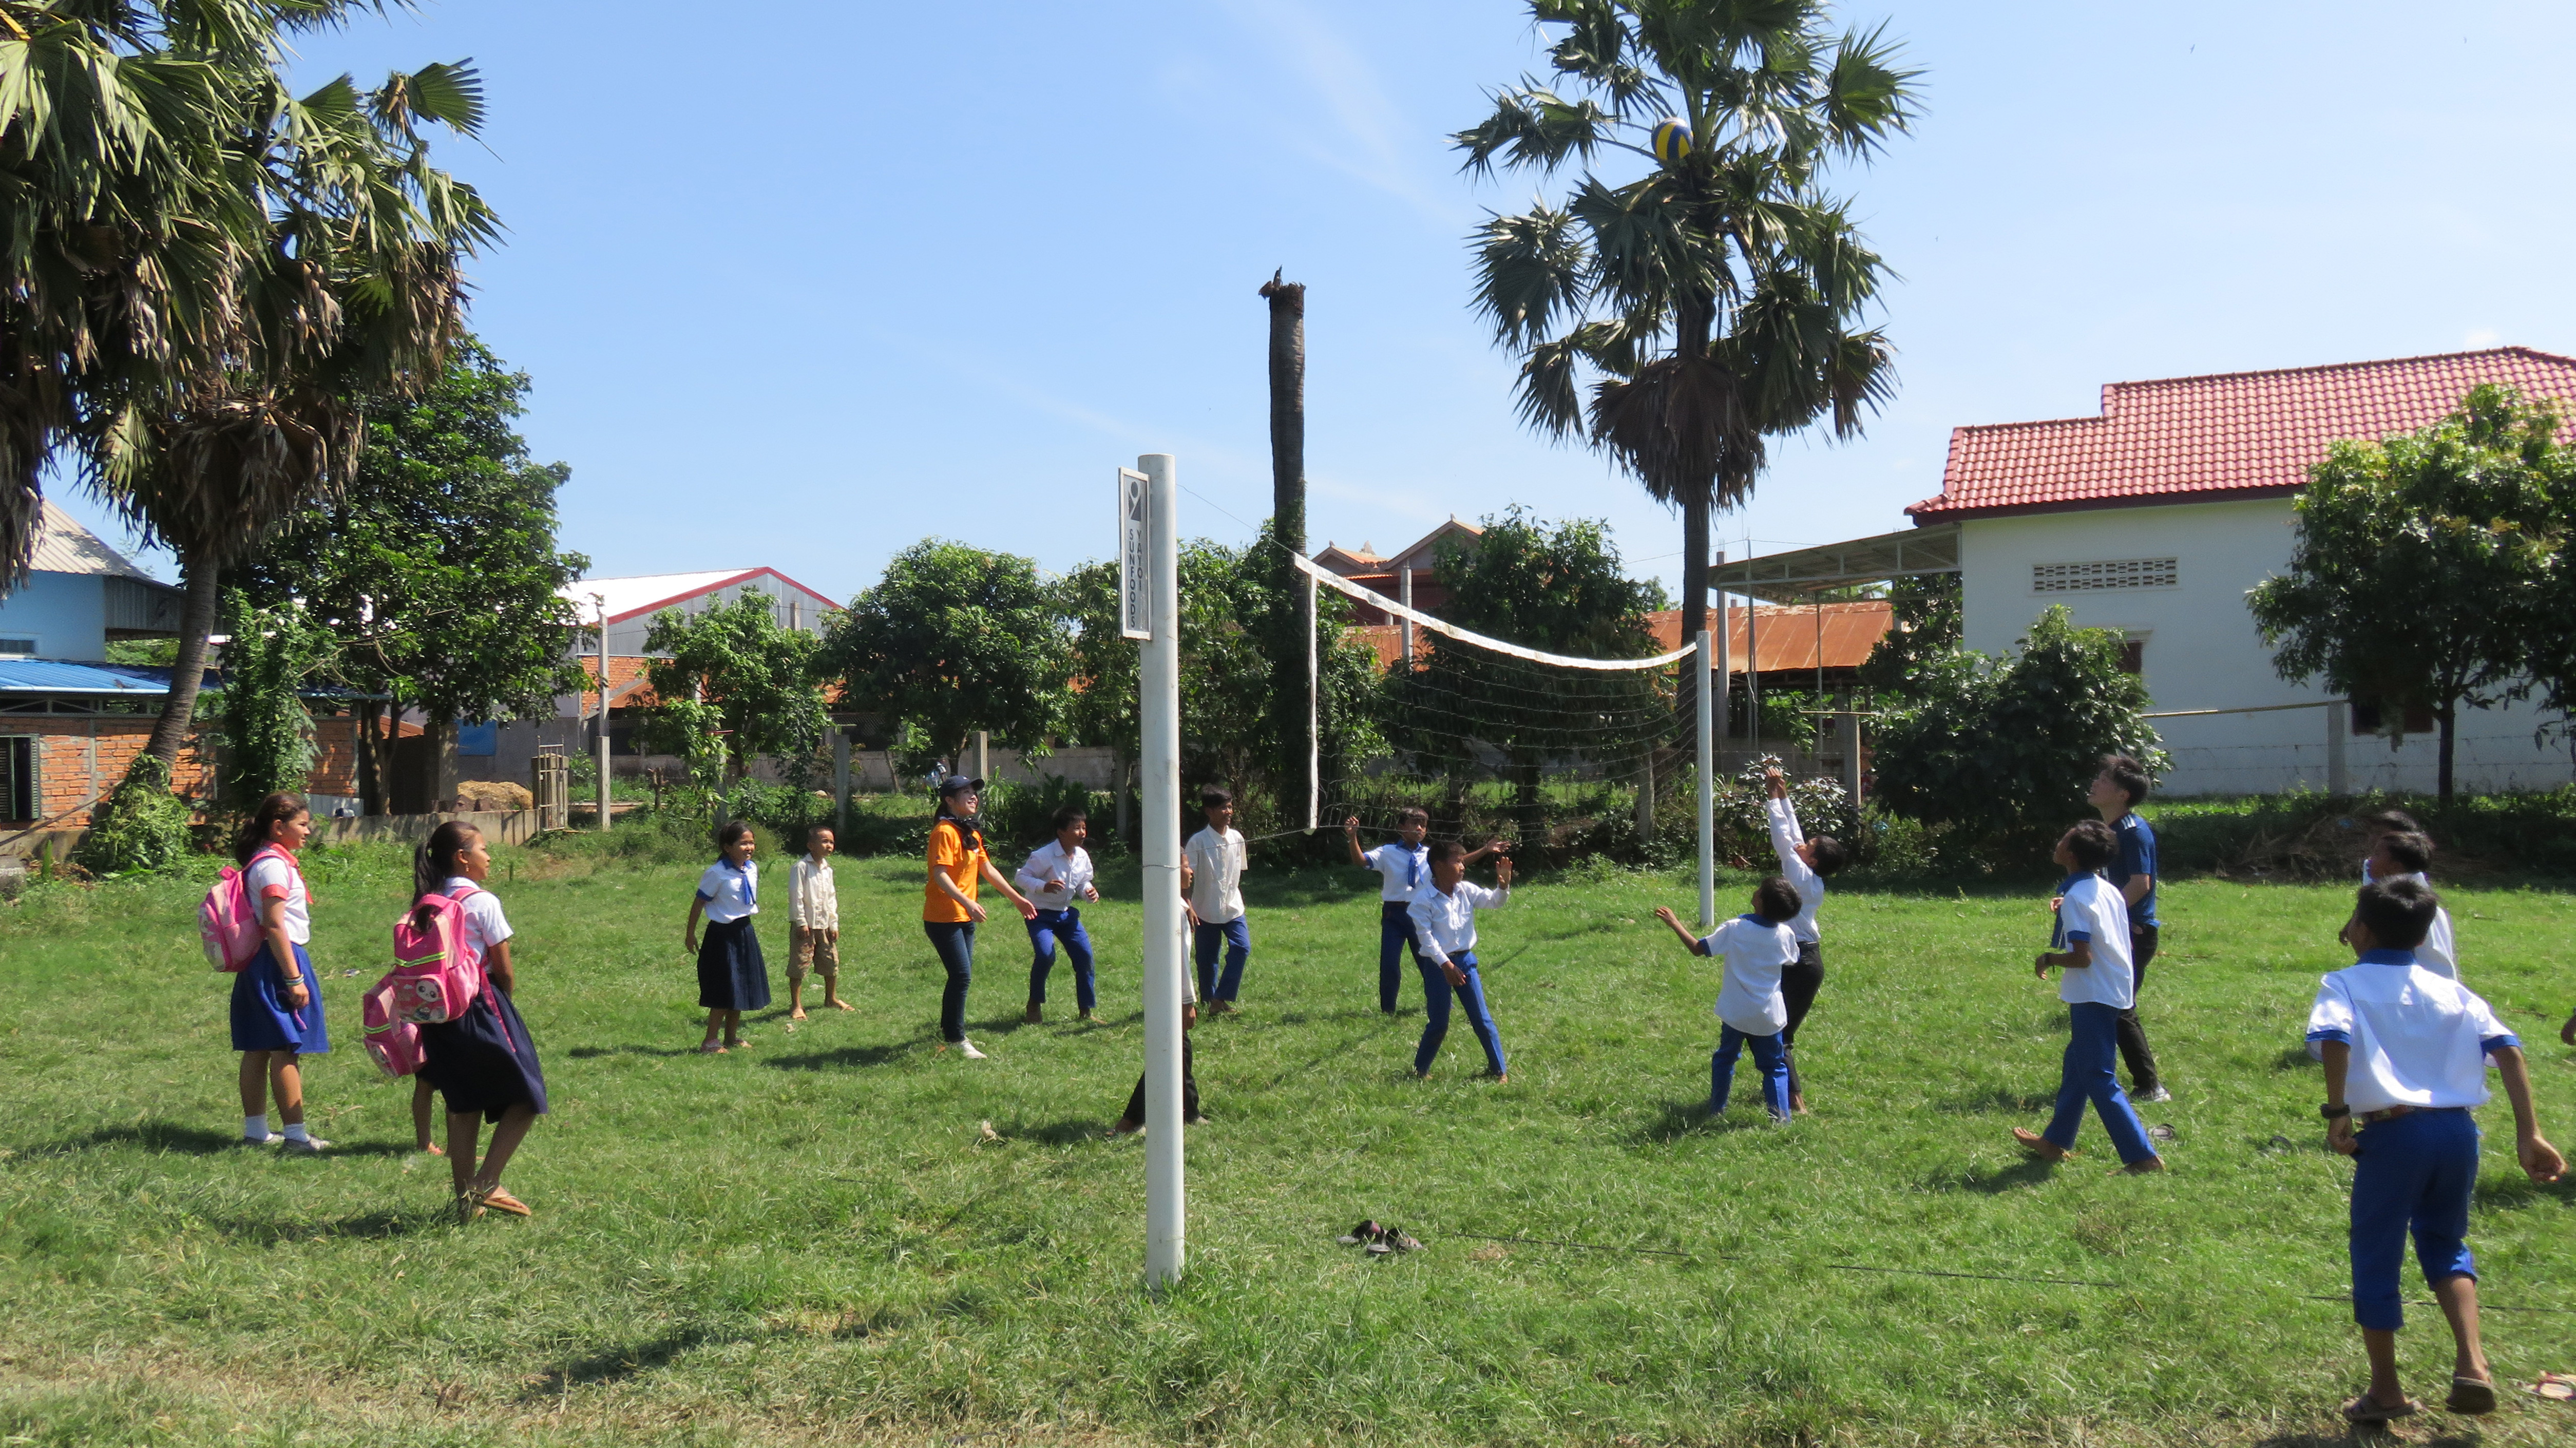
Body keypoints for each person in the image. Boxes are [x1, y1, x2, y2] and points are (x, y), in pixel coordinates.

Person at [2307, 877, 2564, 1423]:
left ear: (2361, 929)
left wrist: (2337, 1112)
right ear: (2423, 937)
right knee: (2446, 1243)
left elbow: (2333, 1038)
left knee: (2376, 1251)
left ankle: (2385, 1391)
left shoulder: (2343, 983)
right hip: (2456, 1133)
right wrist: (2529, 1133)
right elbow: (2509, 1049)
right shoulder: (2452, 991)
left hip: (2393, 1135)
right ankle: (2473, 1364)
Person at [412, 822, 547, 1224]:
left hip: (435, 1013)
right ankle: (486, 1182)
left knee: (464, 1104)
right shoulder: (482, 901)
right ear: (462, 857)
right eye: (483, 849)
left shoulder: (427, 900)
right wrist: (506, 1005)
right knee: (528, 1095)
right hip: (481, 1005)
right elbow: (502, 968)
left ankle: (465, 1205)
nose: (489, 857)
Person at [2015, 820, 2164, 1173]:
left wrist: (2049, 958)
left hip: (2093, 994)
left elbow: (2082, 958)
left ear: (2070, 854)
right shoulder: (2105, 889)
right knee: (2077, 1065)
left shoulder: (2077, 899)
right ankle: (2054, 1142)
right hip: (2114, 987)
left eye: (2064, 839)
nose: (2058, 842)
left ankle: (2142, 1157)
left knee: (2098, 1075)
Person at [228, 793, 331, 1153]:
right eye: (302, 824)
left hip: (261, 960)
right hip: (278, 960)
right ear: (278, 827)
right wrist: (294, 978)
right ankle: (296, 1136)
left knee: (258, 1047)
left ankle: (256, 1132)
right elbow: (275, 925)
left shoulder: (263, 861)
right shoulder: (273, 866)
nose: (308, 831)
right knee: (285, 1048)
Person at [1654, 877, 1802, 1122]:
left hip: (1736, 1012)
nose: (1755, 890)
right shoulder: (1786, 934)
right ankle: (1780, 1119)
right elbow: (1792, 960)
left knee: (1725, 1059)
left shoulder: (1735, 928)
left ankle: (1717, 1109)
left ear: (1761, 902)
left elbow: (1698, 949)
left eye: (1759, 890)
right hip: (1768, 1016)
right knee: (1775, 1067)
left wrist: (1674, 923)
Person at [1344, 808, 1502, 1015]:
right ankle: (1388, 1009)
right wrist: (1353, 837)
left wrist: (1485, 850)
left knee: (1431, 960)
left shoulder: (1430, 855)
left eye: (1423, 825)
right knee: (1390, 963)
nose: (1419, 829)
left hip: (1422, 912)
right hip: (1395, 914)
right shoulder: (1387, 852)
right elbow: (1361, 861)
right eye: (1413, 824)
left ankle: (1443, 1003)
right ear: (1401, 828)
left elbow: (1458, 863)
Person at [923, 776, 1038, 1058]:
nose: (973, 797)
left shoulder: (969, 831)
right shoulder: (944, 832)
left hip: (965, 916)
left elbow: (988, 869)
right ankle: (956, 1038)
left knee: (961, 976)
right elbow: (940, 875)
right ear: (950, 800)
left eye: (974, 792)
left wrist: (1018, 899)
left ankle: (951, 1032)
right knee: (961, 976)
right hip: (944, 917)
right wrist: (967, 902)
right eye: (966, 793)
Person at [1760, 768, 1849, 1114]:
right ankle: (1782, 1089)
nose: (1802, 843)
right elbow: (1795, 835)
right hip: (1807, 960)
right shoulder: (1811, 875)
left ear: (1810, 860)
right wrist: (1783, 793)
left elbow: (1783, 838)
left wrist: (1771, 798)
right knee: (1777, 1031)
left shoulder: (1798, 873)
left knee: (1779, 1034)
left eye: (1808, 847)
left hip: (1798, 962)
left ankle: (1795, 1101)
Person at [2088, 754, 2169, 1103]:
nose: (2095, 783)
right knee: (2108, 1005)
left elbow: (2139, 884)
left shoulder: (2133, 832)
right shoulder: (2110, 830)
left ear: (2123, 795)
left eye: (2104, 780)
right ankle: (2095, 1076)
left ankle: (2151, 1087)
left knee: (2119, 1007)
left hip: (2133, 933)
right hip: (2120, 930)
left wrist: (2107, 917)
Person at [1405, 840, 1516, 1081]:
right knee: (1439, 1022)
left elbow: (1494, 902)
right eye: (1457, 862)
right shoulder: (1423, 901)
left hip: (1466, 962)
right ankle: (1420, 1070)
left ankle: (1499, 1070)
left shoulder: (1466, 890)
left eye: (1463, 861)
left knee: (1482, 1019)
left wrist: (1503, 886)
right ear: (1438, 866)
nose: (1463, 866)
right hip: (1437, 966)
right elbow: (1427, 940)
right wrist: (1446, 965)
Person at [685, 822, 768, 1054]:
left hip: (744, 931)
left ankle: (731, 1037)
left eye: (751, 843)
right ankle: (710, 1041)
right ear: (727, 847)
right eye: (743, 843)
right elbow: (699, 903)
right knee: (724, 987)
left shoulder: (751, 869)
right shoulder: (717, 873)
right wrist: (690, 933)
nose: (749, 848)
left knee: (741, 986)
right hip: (722, 936)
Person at [1017, 804, 1101, 1023]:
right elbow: (1021, 877)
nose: (1082, 833)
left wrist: (1088, 891)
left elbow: (1083, 881)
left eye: (1084, 828)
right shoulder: (1043, 855)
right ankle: (1034, 1003)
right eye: (1076, 828)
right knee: (1046, 955)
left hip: (1066, 915)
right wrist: (1043, 887)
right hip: (1039, 915)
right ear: (1061, 832)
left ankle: (1086, 1010)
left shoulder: (1082, 856)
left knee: (1084, 957)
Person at [2348, 830, 2455, 980]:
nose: (2369, 860)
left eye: (2377, 854)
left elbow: (2436, 964)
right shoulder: (2404, 902)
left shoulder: (2413, 908)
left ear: (2396, 867)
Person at [1182, 787, 1249, 1013]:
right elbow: (1186, 878)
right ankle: (1209, 1002)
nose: (1228, 812)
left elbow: (1238, 871)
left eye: (1230, 807)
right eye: (1223, 808)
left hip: (1233, 908)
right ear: (1209, 811)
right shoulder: (1198, 842)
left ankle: (1220, 998)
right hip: (1205, 909)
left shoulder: (1237, 838)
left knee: (1242, 948)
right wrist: (1189, 906)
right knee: (1207, 959)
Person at [786, 824, 847, 1019]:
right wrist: (801, 922)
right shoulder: (801, 868)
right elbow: (796, 896)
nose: (829, 846)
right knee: (800, 963)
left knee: (831, 961)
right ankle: (796, 1005)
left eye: (832, 842)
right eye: (824, 841)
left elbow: (831, 899)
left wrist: (833, 924)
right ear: (811, 845)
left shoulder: (828, 870)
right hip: (806, 926)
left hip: (824, 925)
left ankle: (831, 998)